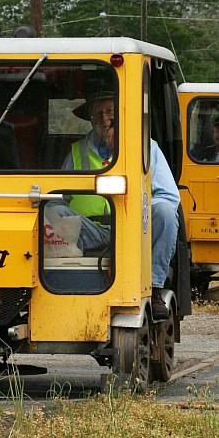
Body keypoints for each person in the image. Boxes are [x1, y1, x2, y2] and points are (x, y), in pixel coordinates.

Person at [54, 90, 180, 320]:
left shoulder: (146, 147)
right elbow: (59, 196)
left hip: (133, 228)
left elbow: (168, 195)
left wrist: (141, 212)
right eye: (98, 114)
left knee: (165, 212)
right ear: (91, 119)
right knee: (52, 211)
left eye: (110, 112)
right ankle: (61, 284)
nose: (104, 119)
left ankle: (153, 287)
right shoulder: (77, 150)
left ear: (122, 114)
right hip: (89, 229)